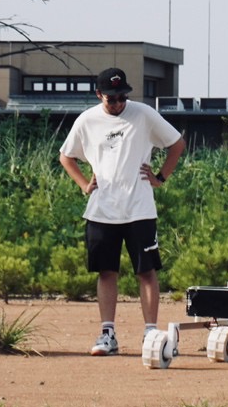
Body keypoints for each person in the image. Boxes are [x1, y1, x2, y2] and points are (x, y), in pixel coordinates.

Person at [58, 67, 186, 356]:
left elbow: (177, 143)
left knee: (147, 271)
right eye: (111, 98)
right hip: (102, 211)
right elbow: (66, 156)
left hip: (139, 209)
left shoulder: (143, 114)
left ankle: (151, 334)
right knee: (106, 271)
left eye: (122, 97)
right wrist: (83, 184)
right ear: (99, 94)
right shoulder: (87, 120)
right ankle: (108, 334)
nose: (117, 103)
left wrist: (161, 177)